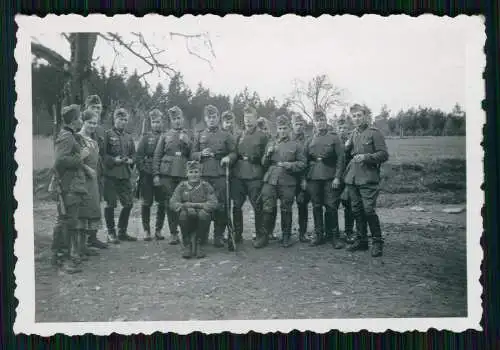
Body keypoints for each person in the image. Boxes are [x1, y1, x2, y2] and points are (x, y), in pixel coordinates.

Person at [344, 104, 389, 257]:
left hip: (368, 178)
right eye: (354, 116)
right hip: (353, 178)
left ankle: (377, 242)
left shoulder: (374, 133)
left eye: (359, 115)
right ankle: (362, 240)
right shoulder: (353, 134)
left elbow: (383, 154)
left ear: (366, 116)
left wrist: (366, 157)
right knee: (356, 209)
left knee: (368, 210)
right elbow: (349, 153)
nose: (356, 119)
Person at [258, 115, 307, 248]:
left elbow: (303, 164)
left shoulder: (296, 145)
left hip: (288, 180)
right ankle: (264, 236)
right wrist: (267, 154)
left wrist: (289, 165)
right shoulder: (271, 142)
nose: (282, 131)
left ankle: (286, 237)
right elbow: (263, 163)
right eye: (280, 128)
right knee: (267, 207)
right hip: (271, 179)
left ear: (289, 128)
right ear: (277, 129)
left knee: (286, 208)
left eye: (285, 128)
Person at [191, 105, 236, 248]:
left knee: (221, 206)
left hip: (220, 175)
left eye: (214, 117)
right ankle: (203, 235)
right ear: (205, 119)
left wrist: (228, 158)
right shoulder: (199, 135)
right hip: (203, 175)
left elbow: (234, 152)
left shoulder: (226, 135)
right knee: (203, 206)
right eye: (209, 117)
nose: (211, 120)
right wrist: (199, 154)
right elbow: (192, 154)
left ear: (218, 118)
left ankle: (218, 236)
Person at [51, 104, 87, 273]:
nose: (81, 120)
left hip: (72, 185)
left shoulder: (70, 135)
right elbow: (60, 161)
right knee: (66, 221)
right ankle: (62, 259)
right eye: (79, 117)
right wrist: (81, 157)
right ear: (74, 121)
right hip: (68, 186)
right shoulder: (67, 136)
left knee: (68, 221)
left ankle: (60, 256)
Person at [153, 106, 192, 245]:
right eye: (174, 119)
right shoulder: (165, 135)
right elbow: (157, 155)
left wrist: (186, 143)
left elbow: (192, 155)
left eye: (179, 118)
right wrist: (156, 174)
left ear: (183, 119)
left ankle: (185, 232)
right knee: (170, 203)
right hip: (167, 174)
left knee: (183, 203)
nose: (177, 121)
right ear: (171, 121)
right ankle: (173, 233)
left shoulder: (189, 135)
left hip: (182, 173)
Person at [305, 110, 345, 248]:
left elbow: (341, 158)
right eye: (317, 120)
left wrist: (337, 177)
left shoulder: (334, 138)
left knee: (331, 206)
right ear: (314, 123)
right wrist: (305, 178)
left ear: (326, 121)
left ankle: (334, 236)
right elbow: (304, 158)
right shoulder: (310, 139)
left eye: (322, 119)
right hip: (314, 176)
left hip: (330, 176)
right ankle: (319, 234)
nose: (320, 122)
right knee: (316, 206)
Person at [231, 106, 269, 244]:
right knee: (236, 205)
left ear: (255, 118)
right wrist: (229, 159)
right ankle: (237, 234)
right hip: (239, 175)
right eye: (246, 118)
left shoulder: (263, 136)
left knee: (257, 205)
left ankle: (260, 235)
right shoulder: (239, 136)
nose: (248, 121)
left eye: (251, 117)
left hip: (255, 175)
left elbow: (267, 157)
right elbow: (234, 153)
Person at [102, 108, 137, 244]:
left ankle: (122, 231)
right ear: (114, 119)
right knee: (110, 204)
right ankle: (111, 232)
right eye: (120, 119)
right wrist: (113, 160)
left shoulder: (128, 137)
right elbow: (102, 155)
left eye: (124, 120)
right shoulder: (107, 135)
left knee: (128, 203)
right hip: (110, 175)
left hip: (124, 175)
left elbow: (134, 154)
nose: (122, 122)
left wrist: (131, 160)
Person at [170, 160, 218, 259]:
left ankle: (200, 244)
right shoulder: (182, 186)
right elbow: (173, 202)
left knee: (204, 214)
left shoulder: (205, 186)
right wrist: (185, 207)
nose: (194, 175)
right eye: (191, 172)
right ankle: (187, 244)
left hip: (202, 215)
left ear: (200, 173)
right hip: (187, 215)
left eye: (196, 172)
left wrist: (193, 205)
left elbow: (213, 203)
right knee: (182, 215)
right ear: (186, 173)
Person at [75, 109, 104, 262]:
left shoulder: (93, 140)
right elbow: (74, 159)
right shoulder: (78, 138)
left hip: (93, 181)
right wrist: (86, 169)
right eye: (89, 122)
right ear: (83, 121)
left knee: (90, 211)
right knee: (81, 211)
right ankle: (78, 249)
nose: (93, 125)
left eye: (95, 123)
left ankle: (85, 246)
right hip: (81, 179)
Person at [136, 109, 166, 241]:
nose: (156, 124)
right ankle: (147, 230)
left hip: (163, 173)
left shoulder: (166, 136)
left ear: (162, 122)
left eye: (158, 121)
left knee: (162, 203)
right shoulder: (145, 137)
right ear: (150, 123)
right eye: (153, 122)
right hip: (147, 175)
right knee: (147, 203)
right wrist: (143, 170)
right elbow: (138, 157)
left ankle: (158, 230)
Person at [83, 94, 109, 249]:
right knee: (84, 203)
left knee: (96, 203)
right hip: (84, 170)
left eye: (99, 108)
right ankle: (82, 240)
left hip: (98, 170)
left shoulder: (100, 129)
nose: (97, 110)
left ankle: (92, 237)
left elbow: (103, 152)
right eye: (93, 107)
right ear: (87, 108)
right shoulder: (82, 125)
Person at [291, 113, 311, 243]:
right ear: (291, 125)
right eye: (296, 124)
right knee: (285, 205)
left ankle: (302, 233)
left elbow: (308, 160)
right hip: (288, 177)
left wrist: (304, 179)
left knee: (302, 204)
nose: (298, 127)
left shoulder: (308, 140)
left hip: (302, 177)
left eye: (300, 124)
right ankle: (285, 232)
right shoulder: (287, 138)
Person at [337, 117, 356, 244]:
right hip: (335, 176)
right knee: (331, 205)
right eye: (340, 128)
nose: (342, 130)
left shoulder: (353, 141)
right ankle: (331, 232)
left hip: (348, 177)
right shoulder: (333, 141)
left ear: (348, 130)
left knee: (349, 205)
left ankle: (349, 231)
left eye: (344, 128)